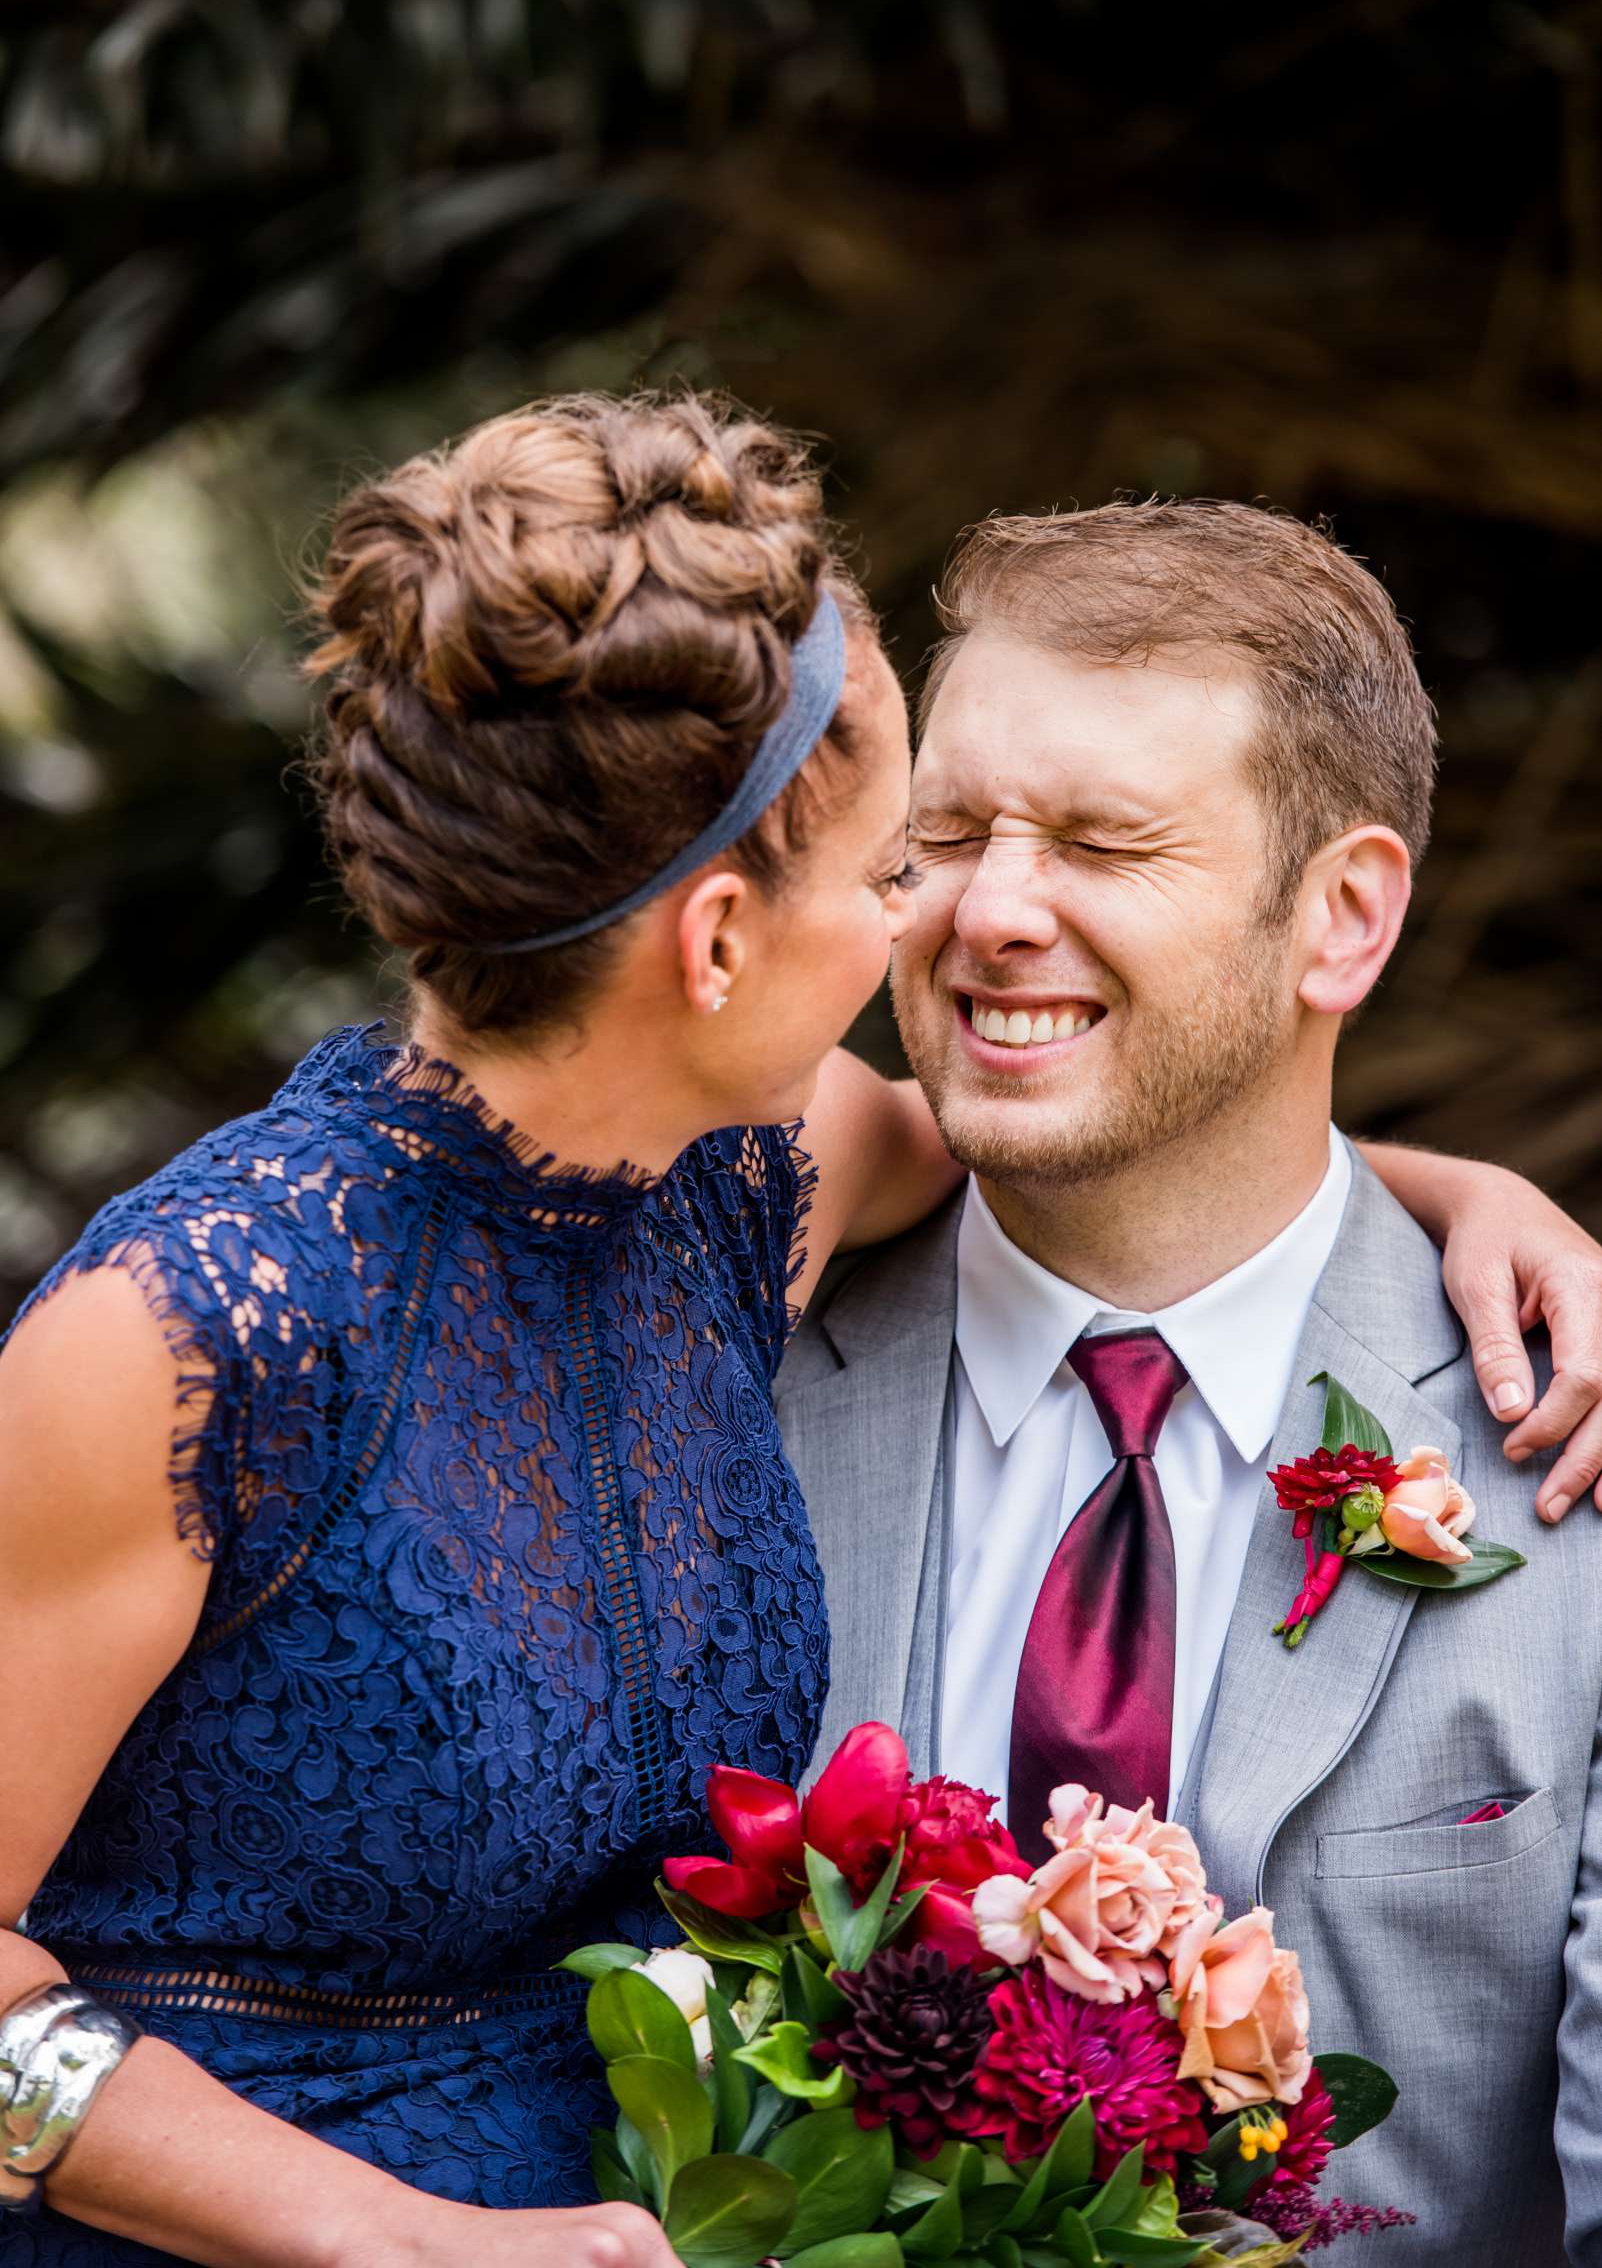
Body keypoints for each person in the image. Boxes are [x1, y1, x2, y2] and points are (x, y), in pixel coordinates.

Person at [0, 404, 1591, 2268]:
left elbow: (1151, 1153)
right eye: (908, 859)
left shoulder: (742, 1188)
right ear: (722, 942)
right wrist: (389, 2241)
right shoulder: (195, 1326)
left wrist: (1457, 1199)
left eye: (1084, 841)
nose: (960, 919)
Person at [776, 497, 1602, 2265]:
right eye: (947, 835)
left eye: (1099, 843)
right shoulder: (719, 1367)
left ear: (1342, 922)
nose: (992, 912)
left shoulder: (1563, 1433)